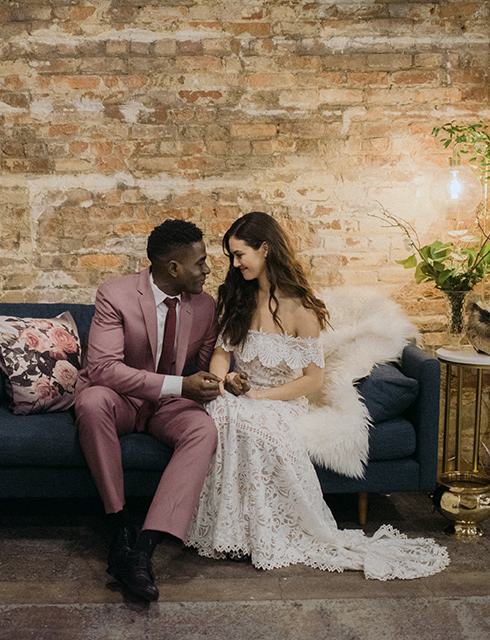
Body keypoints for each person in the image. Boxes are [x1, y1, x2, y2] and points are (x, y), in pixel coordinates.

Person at [186, 211, 450, 580]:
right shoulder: (235, 298)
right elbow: (221, 352)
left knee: (250, 422)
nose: (235, 263)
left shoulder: (301, 308)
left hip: (283, 400)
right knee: (223, 414)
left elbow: (312, 380)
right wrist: (222, 381)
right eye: (231, 255)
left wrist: (263, 397)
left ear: (265, 249)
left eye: (240, 254)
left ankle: (262, 533)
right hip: (240, 395)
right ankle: (232, 532)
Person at [75, 219, 221, 601]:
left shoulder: (206, 306)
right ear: (173, 268)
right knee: (90, 401)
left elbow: (200, 369)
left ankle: (141, 550)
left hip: (170, 407)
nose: (207, 269)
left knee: (204, 430)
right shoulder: (115, 294)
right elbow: (104, 369)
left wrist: (217, 381)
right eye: (201, 262)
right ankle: (120, 525)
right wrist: (180, 385)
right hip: (122, 400)